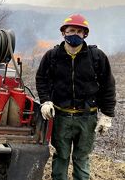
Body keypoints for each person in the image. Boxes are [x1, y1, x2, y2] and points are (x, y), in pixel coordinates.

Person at [35, 14, 116, 180]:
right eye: (71, 30)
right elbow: (41, 79)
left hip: (87, 118)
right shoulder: (52, 56)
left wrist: (107, 115)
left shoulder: (97, 57)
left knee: (82, 158)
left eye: (79, 31)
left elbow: (108, 85)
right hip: (61, 117)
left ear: (85, 34)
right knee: (61, 157)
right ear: (64, 32)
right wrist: (45, 101)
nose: (75, 34)